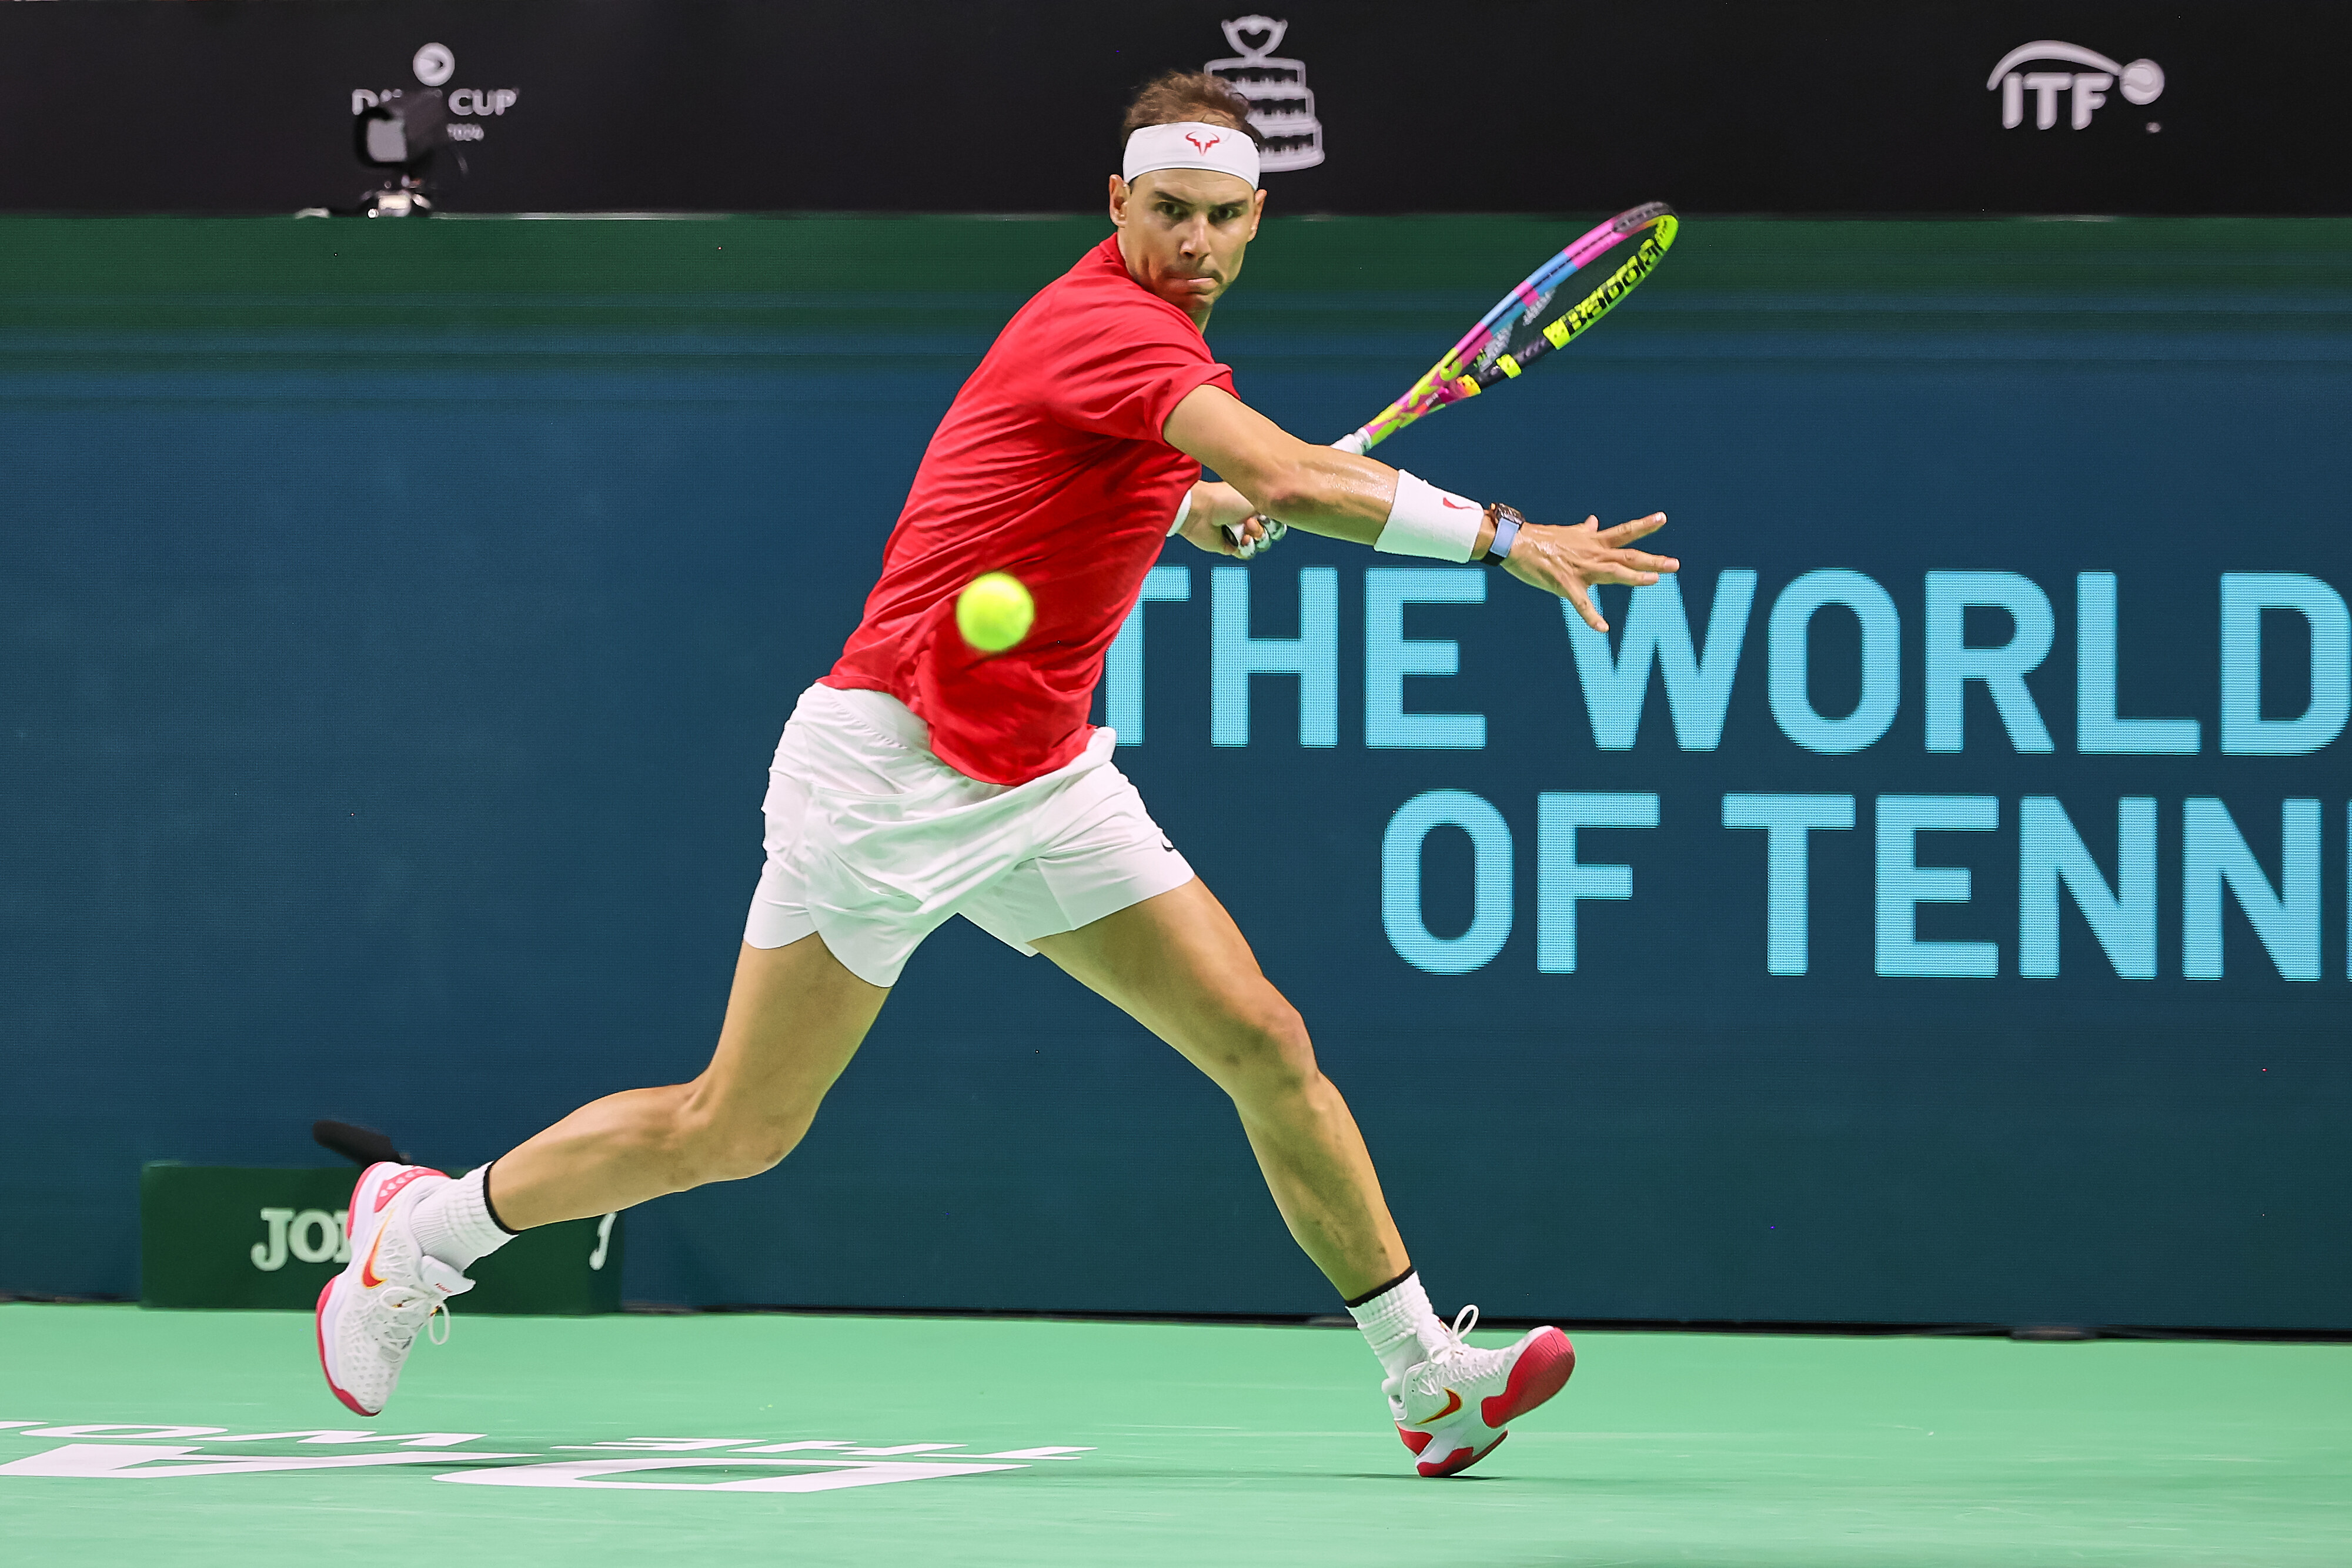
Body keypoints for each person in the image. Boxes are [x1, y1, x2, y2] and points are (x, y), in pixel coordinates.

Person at [316, 70, 1676, 1480]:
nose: (1194, 242)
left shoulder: (1149, 348)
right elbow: (1288, 477)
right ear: (1116, 201)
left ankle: (1423, 1374)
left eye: (1222, 217)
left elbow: (1123, 476)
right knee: (736, 1125)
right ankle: (426, 1227)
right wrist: (1505, 537)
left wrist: (1193, 506)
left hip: (1039, 770)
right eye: (1168, 211)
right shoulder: (1107, 321)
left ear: (1255, 219)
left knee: (1261, 1040)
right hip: (890, 772)